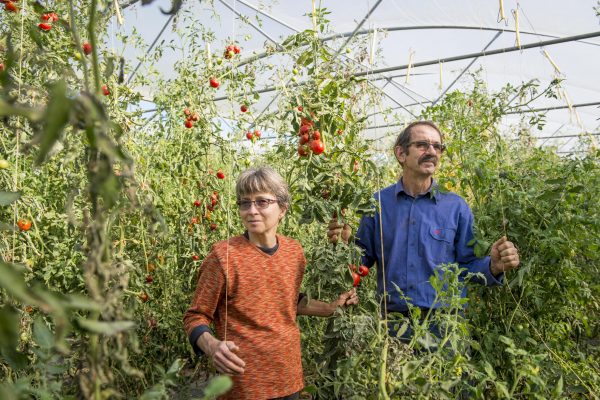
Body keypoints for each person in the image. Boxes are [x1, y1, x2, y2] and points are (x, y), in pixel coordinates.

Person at [328, 120, 520, 335]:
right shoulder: (378, 204)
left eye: (437, 146)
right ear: (401, 153)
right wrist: (344, 246)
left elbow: (467, 265)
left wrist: (493, 266)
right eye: (422, 145)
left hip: (445, 325)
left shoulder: (456, 207)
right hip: (393, 322)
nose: (432, 152)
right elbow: (362, 261)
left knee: (444, 370)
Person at [184, 166, 358, 400]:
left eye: (262, 202)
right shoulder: (223, 256)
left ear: (282, 209)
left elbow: (289, 301)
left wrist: (330, 307)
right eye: (245, 203)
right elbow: (196, 315)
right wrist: (212, 345)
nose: (252, 210)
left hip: (288, 376)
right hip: (243, 384)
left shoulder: (294, 251)